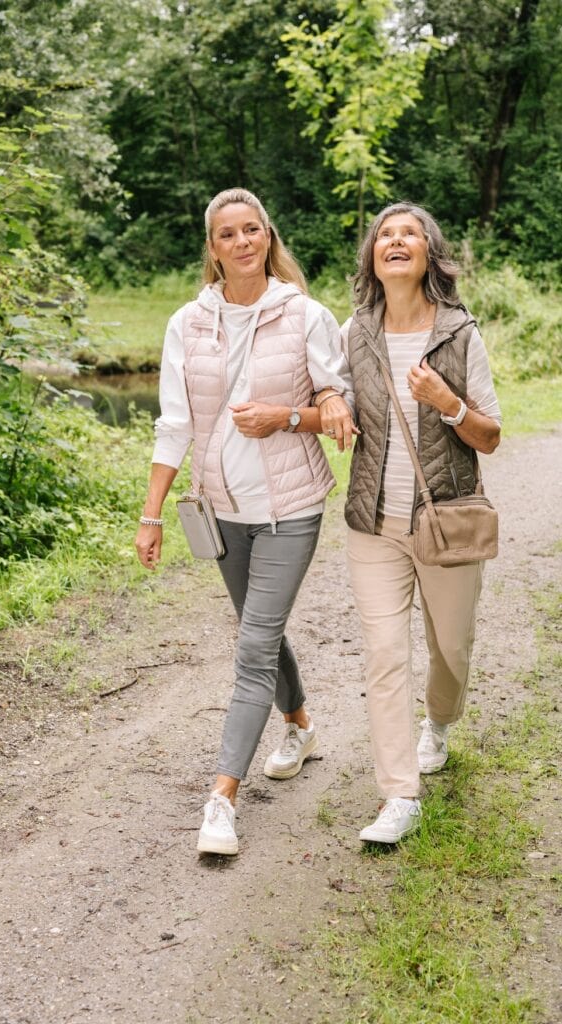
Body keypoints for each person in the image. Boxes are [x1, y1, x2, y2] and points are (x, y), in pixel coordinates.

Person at [135, 187, 355, 856]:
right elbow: (175, 423)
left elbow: (335, 400)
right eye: (227, 233)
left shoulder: (305, 314)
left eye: (251, 230)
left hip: (291, 507)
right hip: (222, 510)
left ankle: (221, 799)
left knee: (253, 646)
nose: (241, 242)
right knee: (261, 630)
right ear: (212, 247)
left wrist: (291, 415)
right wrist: (151, 514)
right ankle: (301, 726)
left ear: (268, 237)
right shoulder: (187, 323)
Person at [336, 202, 502, 844]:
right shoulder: (355, 331)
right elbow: (334, 393)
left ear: (429, 252)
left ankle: (440, 721)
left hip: (447, 520)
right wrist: (329, 405)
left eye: (410, 233)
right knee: (384, 655)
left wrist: (447, 403)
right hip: (372, 524)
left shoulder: (460, 333)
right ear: (373, 257)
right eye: (385, 234)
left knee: (450, 650)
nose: (396, 240)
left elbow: (489, 435)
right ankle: (399, 795)